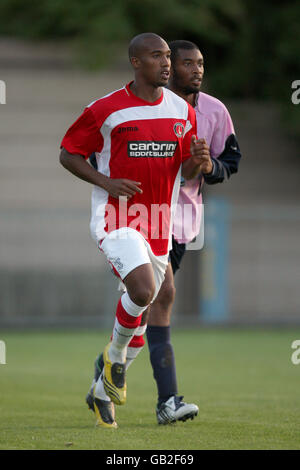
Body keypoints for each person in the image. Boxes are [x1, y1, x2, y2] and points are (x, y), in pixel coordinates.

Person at [86, 40, 241, 425]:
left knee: (148, 306)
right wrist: (111, 181)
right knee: (158, 296)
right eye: (184, 62)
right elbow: (99, 151)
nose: (194, 70)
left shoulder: (212, 111)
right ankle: (166, 400)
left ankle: (105, 377)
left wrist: (208, 167)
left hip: (182, 223)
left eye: (198, 63)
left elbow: (229, 161)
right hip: (140, 219)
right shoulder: (145, 104)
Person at [60, 33, 209, 429]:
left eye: (167, 57)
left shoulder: (182, 110)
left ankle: (101, 383)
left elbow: (186, 170)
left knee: (140, 319)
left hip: (160, 224)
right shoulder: (105, 110)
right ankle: (113, 361)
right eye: (157, 56)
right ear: (135, 62)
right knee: (143, 291)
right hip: (117, 218)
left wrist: (198, 162)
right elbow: (68, 152)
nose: (166, 63)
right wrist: (105, 181)